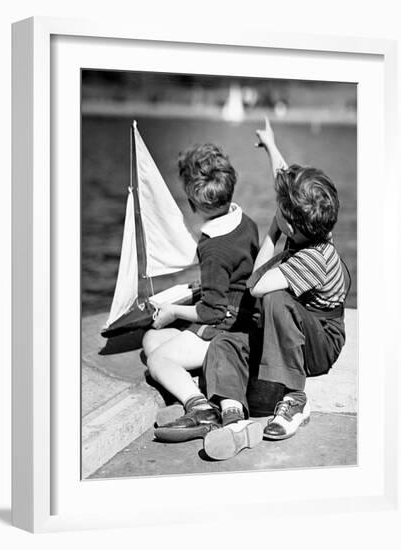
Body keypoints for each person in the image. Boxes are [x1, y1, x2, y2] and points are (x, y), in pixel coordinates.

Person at [202, 118, 347, 460]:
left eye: (283, 215)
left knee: (276, 299)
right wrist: (271, 145)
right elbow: (287, 185)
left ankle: (295, 399)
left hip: (319, 343)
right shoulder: (314, 225)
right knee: (226, 341)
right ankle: (232, 412)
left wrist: (271, 231)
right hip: (291, 330)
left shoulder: (313, 259)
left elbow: (256, 285)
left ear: (291, 226)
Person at [142, 143, 260, 443]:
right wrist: (204, 289)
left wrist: (173, 310)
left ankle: (200, 407)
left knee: (157, 360)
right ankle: (193, 380)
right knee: (152, 339)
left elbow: (212, 312)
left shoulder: (212, 246)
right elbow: (238, 276)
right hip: (243, 316)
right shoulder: (245, 221)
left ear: (193, 203)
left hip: (225, 329)